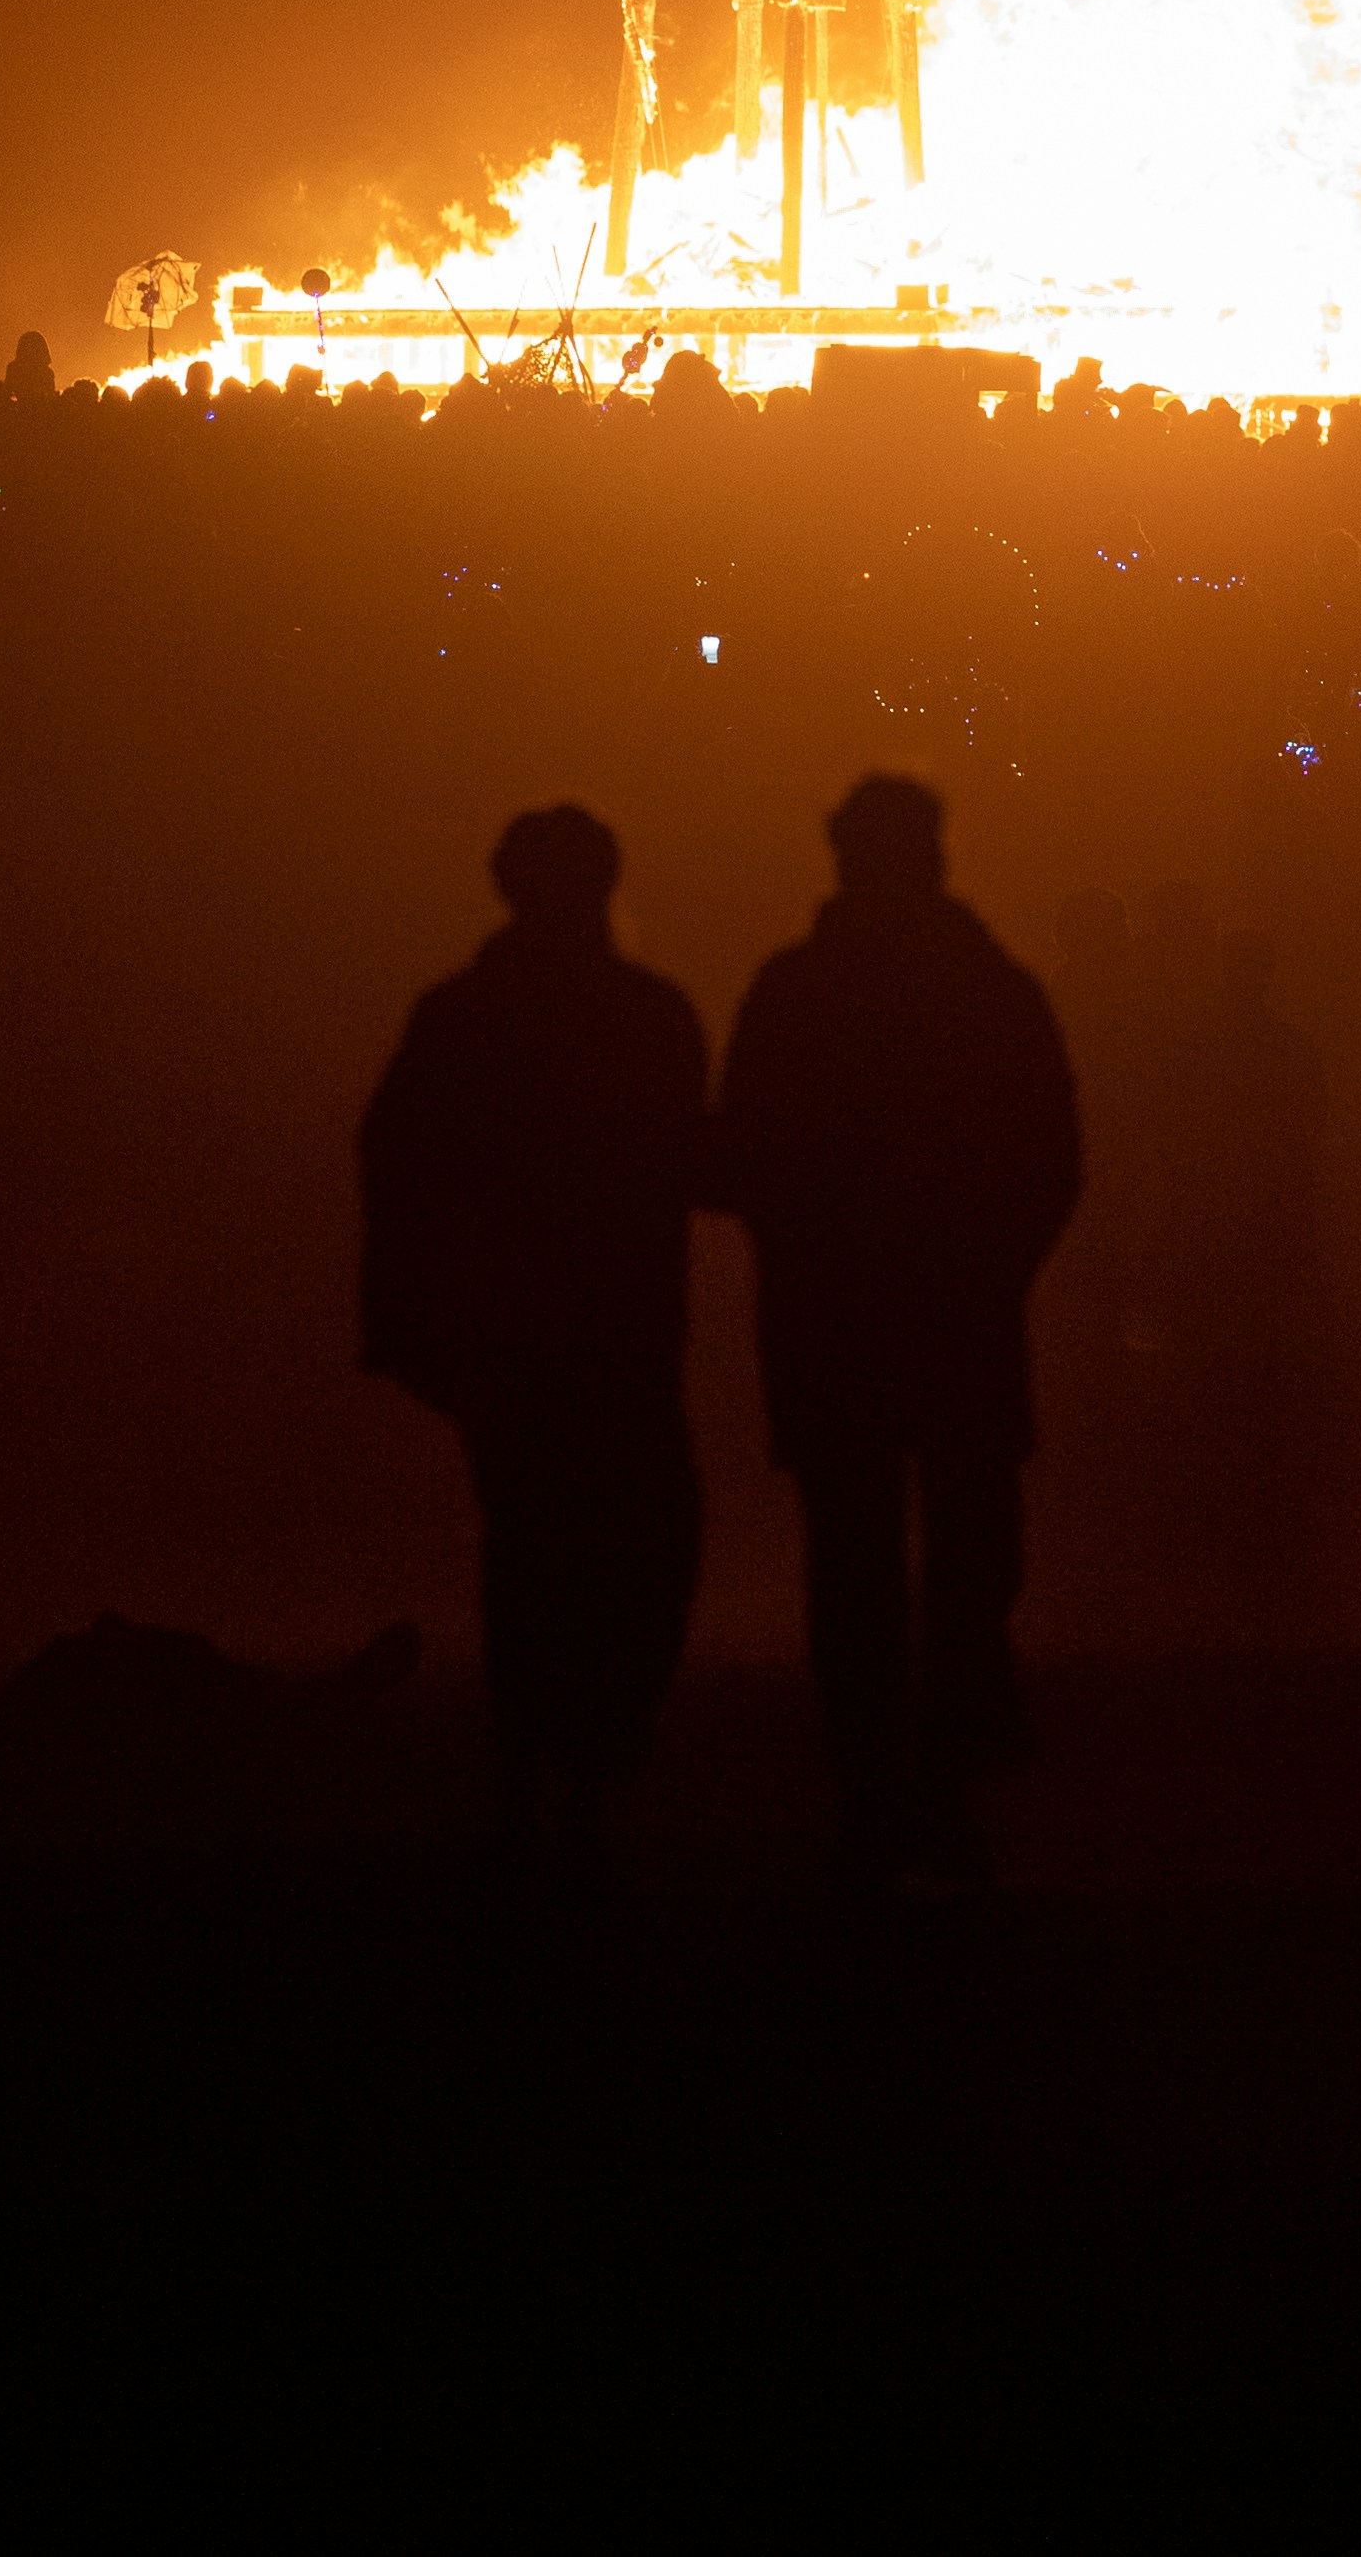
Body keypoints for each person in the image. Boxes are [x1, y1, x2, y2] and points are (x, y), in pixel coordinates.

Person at [713, 772, 1082, 1892]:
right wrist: (988, 1271)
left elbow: (740, 1159)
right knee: (968, 1553)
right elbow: (1049, 1159)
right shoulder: (992, 990)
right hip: (956, 1317)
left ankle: (874, 1783)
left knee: (856, 1560)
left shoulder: (793, 991)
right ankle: (935, 1772)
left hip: (835, 1324)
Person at [357, 802, 708, 1866]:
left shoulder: (460, 1016)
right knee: (640, 1541)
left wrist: (409, 1323)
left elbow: (396, 1170)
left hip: (508, 1330)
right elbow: (694, 1158)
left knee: (530, 1549)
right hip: (622, 1327)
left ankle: (533, 1765)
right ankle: (594, 1749)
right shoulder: (650, 1015)